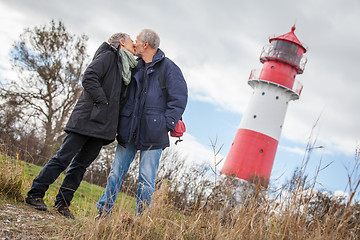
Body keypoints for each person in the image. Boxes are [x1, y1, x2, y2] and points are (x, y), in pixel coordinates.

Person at [25, 33, 138, 219]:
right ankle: (35, 194)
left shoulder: (126, 67)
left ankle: (62, 204)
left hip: (102, 127)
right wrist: (102, 102)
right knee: (62, 158)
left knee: (80, 166)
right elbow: (89, 77)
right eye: (131, 41)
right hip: (87, 119)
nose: (134, 44)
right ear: (121, 43)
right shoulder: (109, 55)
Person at [96, 29, 188, 217]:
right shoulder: (134, 65)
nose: (134, 44)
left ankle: (140, 219)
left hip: (154, 132)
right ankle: (104, 211)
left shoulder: (169, 68)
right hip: (129, 128)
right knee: (115, 173)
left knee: (146, 179)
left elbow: (178, 98)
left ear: (146, 44)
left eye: (136, 40)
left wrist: (165, 124)